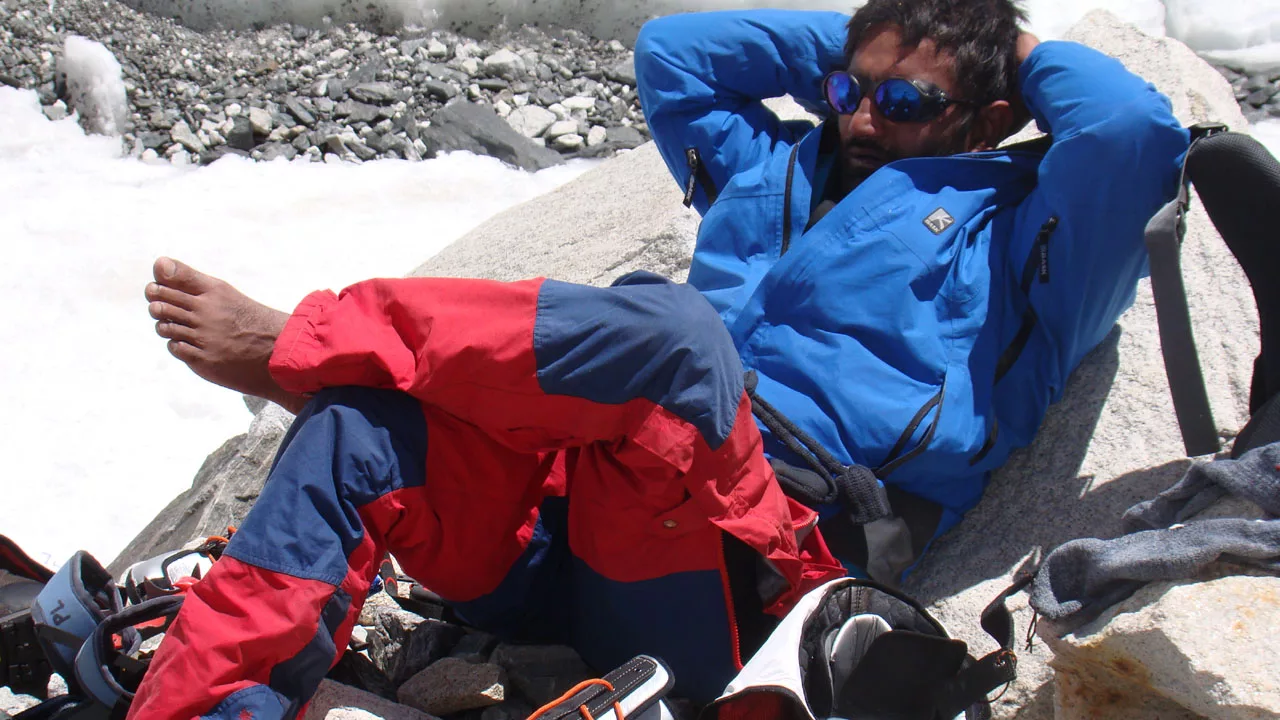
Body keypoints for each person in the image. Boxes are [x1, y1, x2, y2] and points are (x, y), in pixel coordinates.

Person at [129, 1, 1188, 717]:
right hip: (572, 526)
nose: (861, 118)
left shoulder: (1025, 242)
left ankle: (303, 346)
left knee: (670, 334)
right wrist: (878, 35)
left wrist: (1003, 44)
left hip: (752, 563)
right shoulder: (772, 166)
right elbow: (671, 52)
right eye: (846, 89)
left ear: (993, 118)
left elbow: (1135, 131)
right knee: (363, 436)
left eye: (903, 105)